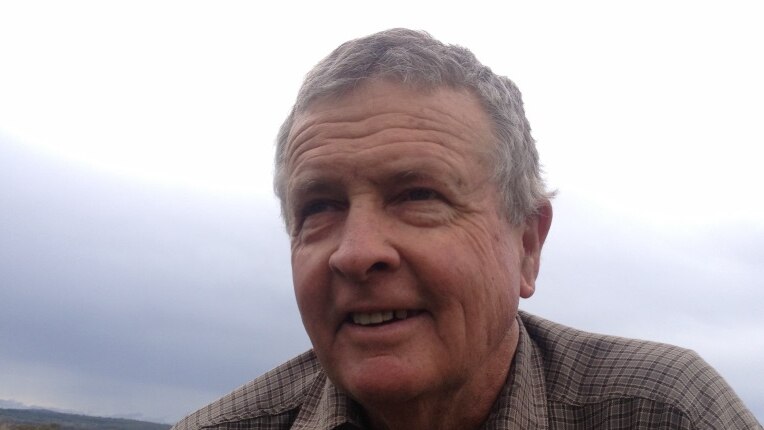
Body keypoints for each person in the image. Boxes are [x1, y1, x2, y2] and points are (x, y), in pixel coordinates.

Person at [172, 28, 761, 430]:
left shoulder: (665, 413)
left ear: (527, 245)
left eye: (419, 196)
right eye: (320, 208)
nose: (355, 254)